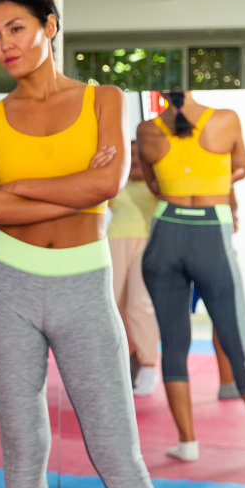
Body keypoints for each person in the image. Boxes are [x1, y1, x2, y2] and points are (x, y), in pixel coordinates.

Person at [0, 0, 212, 488]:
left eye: (15, 28)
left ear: (49, 26)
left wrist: (17, 187)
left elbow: (102, 188)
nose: (3, 45)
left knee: (118, 454)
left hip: (81, 288)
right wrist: (54, 190)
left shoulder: (104, 99)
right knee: (24, 450)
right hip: (6, 292)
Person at [135, 91, 245, 464]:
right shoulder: (225, 119)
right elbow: (241, 168)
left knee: (173, 345)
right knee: (238, 342)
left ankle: (187, 443)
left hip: (164, 234)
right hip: (210, 235)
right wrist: (213, 180)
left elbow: (153, 185)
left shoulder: (147, 129)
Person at [106, 142, 160, 396]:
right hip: (115, 244)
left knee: (139, 304)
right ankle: (126, 361)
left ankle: (149, 363)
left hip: (148, 245)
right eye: (131, 155)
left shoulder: (156, 186)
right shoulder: (115, 185)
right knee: (114, 306)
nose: (136, 159)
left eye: (141, 154)